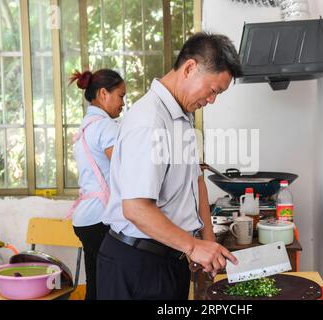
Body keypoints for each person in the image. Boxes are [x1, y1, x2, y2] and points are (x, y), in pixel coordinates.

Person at [97, 33, 243, 300]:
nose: (212, 101)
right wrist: (192, 246)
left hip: (170, 257)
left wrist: (205, 241)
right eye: (213, 90)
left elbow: (196, 179)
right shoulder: (150, 120)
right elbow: (136, 208)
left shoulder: (182, 117)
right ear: (189, 68)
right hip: (137, 264)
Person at [67, 69, 126, 300]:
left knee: (97, 282)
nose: (123, 103)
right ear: (103, 93)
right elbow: (126, 171)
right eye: (121, 96)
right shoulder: (106, 127)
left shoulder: (86, 127)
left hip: (86, 218)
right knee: (110, 286)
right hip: (101, 218)